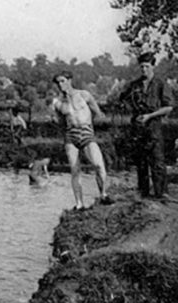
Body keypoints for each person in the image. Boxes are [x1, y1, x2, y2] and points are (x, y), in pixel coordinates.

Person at [51, 71, 113, 210]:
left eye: (63, 81)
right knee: (75, 169)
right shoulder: (57, 102)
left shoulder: (84, 95)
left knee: (98, 165)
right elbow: (61, 122)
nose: (60, 85)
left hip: (87, 133)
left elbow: (98, 113)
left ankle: (103, 194)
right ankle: (79, 204)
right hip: (70, 136)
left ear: (69, 80)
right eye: (58, 82)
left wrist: (89, 125)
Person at [119, 52, 176, 201]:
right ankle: (143, 194)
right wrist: (129, 107)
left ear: (153, 66)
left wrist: (150, 116)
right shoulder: (134, 85)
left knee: (157, 160)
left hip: (153, 124)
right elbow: (122, 99)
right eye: (141, 66)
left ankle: (160, 193)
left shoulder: (160, 84)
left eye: (147, 66)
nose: (144, 69)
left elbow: (169, 107)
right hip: (138, 125)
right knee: (141, 161)